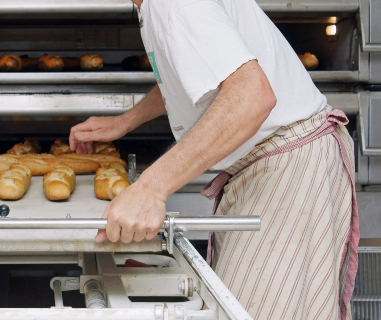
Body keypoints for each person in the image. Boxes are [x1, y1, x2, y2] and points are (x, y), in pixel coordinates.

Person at [69, 0, 358, 319]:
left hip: (290, 169)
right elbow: (199, 74)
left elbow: (252, 95)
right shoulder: (153, 6)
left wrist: (150, 188)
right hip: (271, 165)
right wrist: (127, 120)